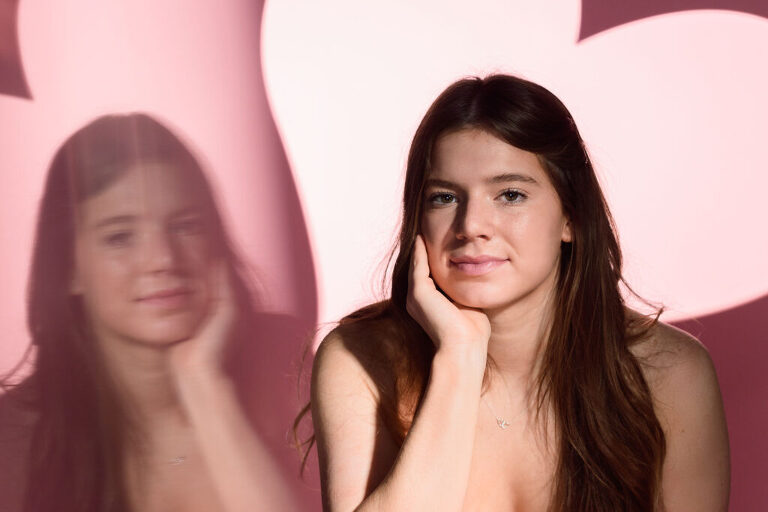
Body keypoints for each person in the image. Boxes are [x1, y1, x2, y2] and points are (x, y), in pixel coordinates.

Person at [309, 74, 730, 511]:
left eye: (510, 195)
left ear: (570, 217)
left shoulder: (669, 373)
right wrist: (459, 355)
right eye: (444, 198)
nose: (471, 225)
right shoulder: (361, 360)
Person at [0, 113, 306, 512]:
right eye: (120, 237)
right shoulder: (15, 439)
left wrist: (204, 383)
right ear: (69, 269)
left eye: (185, 226)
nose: (162, 259)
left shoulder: (292, 371)